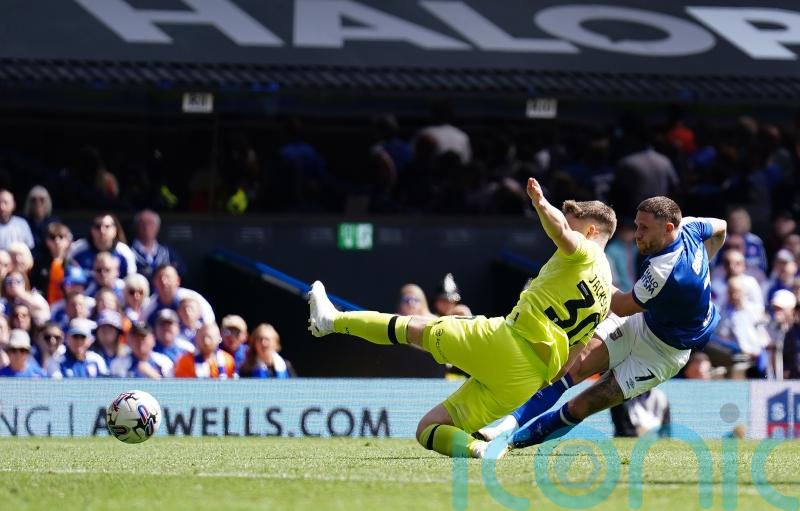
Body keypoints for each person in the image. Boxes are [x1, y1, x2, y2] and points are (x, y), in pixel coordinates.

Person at [309, 177, 616, 458]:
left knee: (412, 326)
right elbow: (569, 362)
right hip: (528, 380)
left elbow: (561, 231)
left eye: (575, 227)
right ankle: (479, 451)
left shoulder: (586, 250)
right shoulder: (604, 299)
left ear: (590, 232)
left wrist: (540, 202)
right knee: (429, 428)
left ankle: (331, 321)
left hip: (509, 341)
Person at [476, 197, 726, 455]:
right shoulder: (690, 227)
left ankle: (510, 444)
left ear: (669, 229)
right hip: (643, 320)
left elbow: (619, 306)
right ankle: (500, 431)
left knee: (583, 405)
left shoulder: (667, 272)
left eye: (644, 229)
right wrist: (706, 259)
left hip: (663, 352)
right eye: (637, 225)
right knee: (572, 367)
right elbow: (721, 227)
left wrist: (593, 276)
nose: (636, 234)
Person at [141, 264, 214, 327]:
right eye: (160, 278)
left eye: (168, 277)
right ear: (154, 282)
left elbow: (210, 324)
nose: (164, 281)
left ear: (178, 281)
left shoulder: (193, 298)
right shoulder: (148, 306)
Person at [68, 213, 137, 278]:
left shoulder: (124, 252)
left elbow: (131, 280)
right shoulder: (77, 248)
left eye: (107, 226)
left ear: (115, 230)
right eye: (97, 227)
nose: (102, 230)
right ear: (91, 230)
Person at [131, 209, 185, 283]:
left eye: (151, 223)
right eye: (142, 223)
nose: (146, 227)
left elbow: (182, 272)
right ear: (136, 226)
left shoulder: (167, 252)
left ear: (158, 227)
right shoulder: (128, 252)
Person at [31, 222, 73, 304]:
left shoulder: (73, 263)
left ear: (68, 241)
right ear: (47, 241)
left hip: (66, 306)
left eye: (61, 237)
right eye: (53, 237)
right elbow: (35, 286)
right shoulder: (39, 264)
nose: (57, 241)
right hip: (45, 306)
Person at [23, 185, 57, 254]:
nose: (38, 203)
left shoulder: (54, 222)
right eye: (33, 200)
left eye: (42, 200)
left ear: (47, 202)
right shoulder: (22, 223)